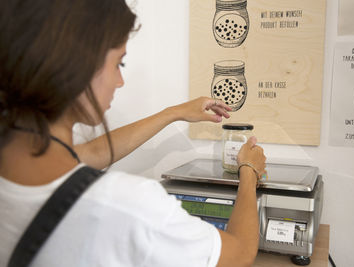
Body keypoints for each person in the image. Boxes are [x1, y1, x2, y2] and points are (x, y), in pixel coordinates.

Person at [0, 0, 267, 266]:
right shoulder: (128, 205)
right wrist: (248, 172)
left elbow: (92, 153)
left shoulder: (17, 160)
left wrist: (172, 112)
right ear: (73, 68)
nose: (120, 81)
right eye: (119, 64)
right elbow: (240, 254)